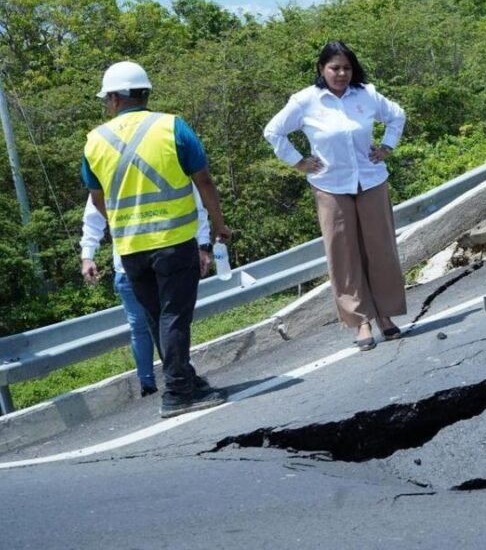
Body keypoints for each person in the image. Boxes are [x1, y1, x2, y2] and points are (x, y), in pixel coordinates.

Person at [82, 60, 231, 418]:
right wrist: (217, 223)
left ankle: (186, 380)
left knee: (157, 317)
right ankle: (178, 392)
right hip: (173, 239)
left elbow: (97, 197)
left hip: (130, 247)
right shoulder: (172, 127)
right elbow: (204, 181)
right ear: (144, 93)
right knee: (174, 316)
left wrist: (120, 223)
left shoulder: (95, 140)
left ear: (116, 98)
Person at [264, 41, 407, 351]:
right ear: (321, 70)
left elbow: (397, 116)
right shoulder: (305, 101)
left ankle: (385, 316)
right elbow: (273, 131)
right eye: (334, 68)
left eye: (346, 67)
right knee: (343, 255)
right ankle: (360, 322)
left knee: (380, 250)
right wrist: (298, 162)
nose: (341, 73)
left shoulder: (366, 94)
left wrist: (387, 147)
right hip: (330, 185)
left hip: (370, 180)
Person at [80, 190, 212, 398]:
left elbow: (194, 202)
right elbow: (94, 210)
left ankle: (179, 377)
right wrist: (87, 254)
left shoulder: (111, 162)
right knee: (158, 322)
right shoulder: (109, 167)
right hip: (143, 262)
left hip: (152, 258)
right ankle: (156, 382)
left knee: (162, 321)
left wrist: (203, 242)